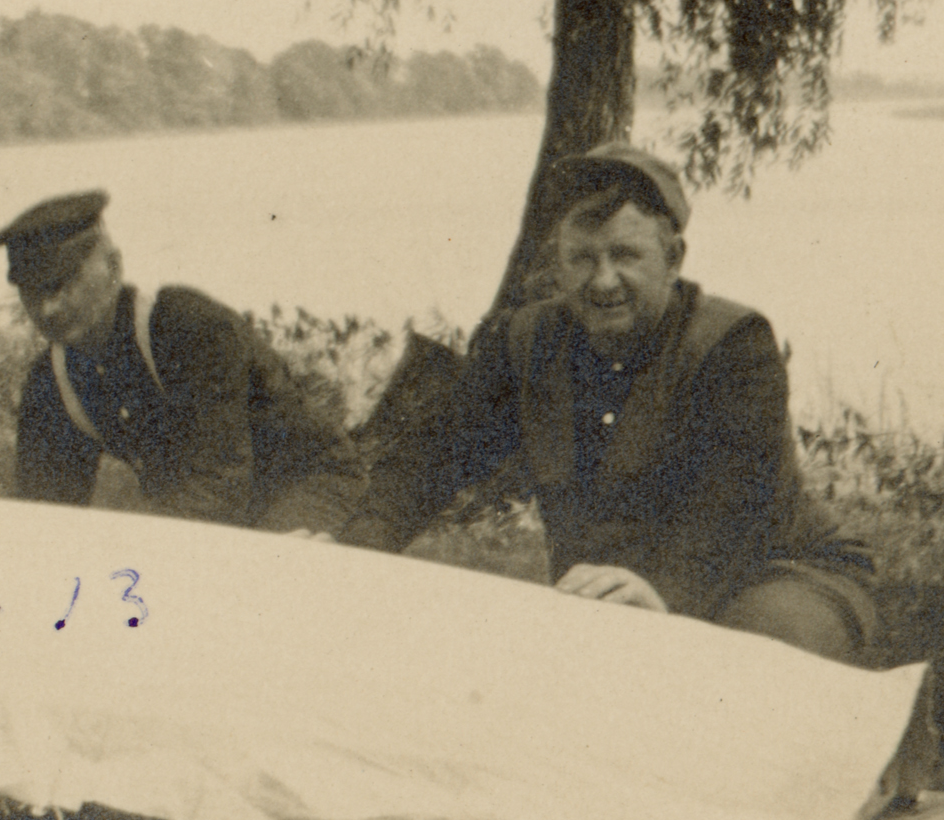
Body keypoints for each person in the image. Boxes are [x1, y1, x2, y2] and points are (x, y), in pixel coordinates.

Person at [342, 143, 882, 663]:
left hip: (777, 573)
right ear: (557, 265)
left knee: (740, 661)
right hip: (613, 594)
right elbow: (431, 459)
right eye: (582, 258)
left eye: (625, 255)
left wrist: (660, 591)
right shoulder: (526, 342)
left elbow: (732, 508)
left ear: (672, 259)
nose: (603, 281)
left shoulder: (732, 344)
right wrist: (350, 551)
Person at [0, 191, 366, 536]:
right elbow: (46, 514)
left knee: (258, 572)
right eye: (31, 292)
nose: (48, 308)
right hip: (206, 509)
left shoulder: (187, 327)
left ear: (113, 267)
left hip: (308, 484)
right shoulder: (51, 382)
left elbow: (220, 485)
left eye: (63, 284)